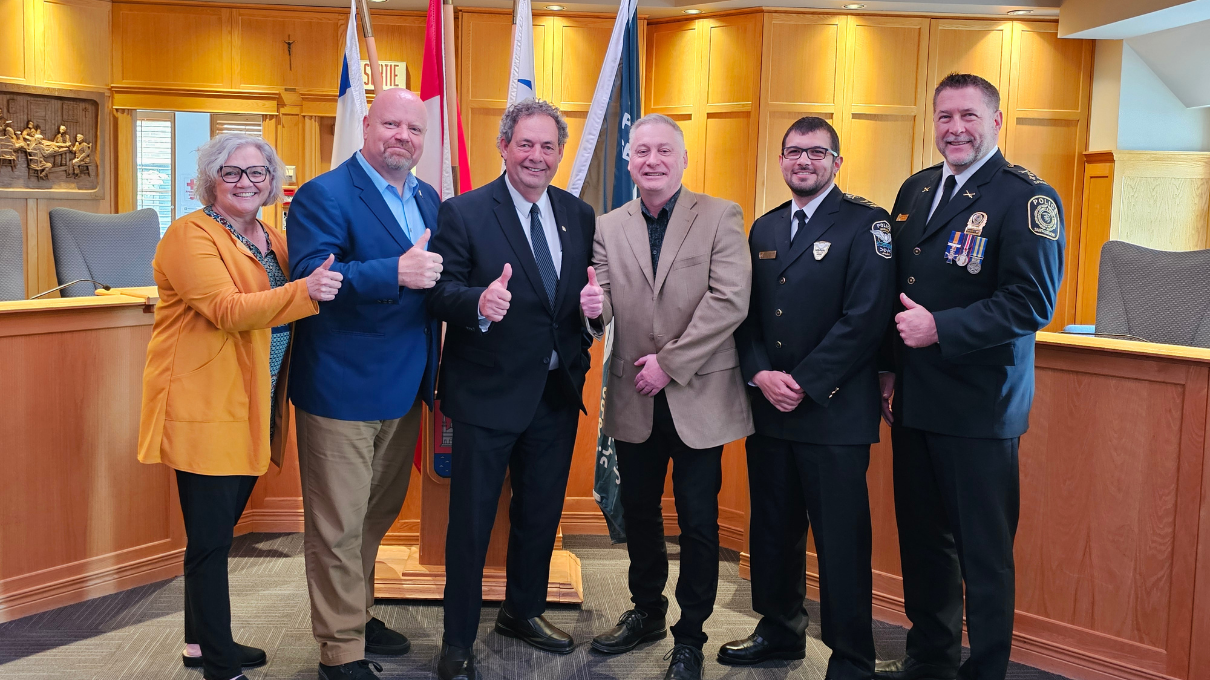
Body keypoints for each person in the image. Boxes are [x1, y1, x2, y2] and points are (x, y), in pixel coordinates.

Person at [875, 73, 1065, 680]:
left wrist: (941, 328)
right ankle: (928, 660)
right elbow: (899, 287)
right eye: (944, 117)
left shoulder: (1026, 198)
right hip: (915, 399)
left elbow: (1031, 302)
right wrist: (888, 367)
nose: (955, 129)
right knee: (923, 543)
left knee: (984, 555)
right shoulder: (916, 188)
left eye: (968, 116)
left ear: (996, 122)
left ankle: (984, 670)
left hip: (980, 406)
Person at [137, 133, 342, 680]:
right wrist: (308, 290)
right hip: (205, 406)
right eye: (231, 172)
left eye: (257, 173)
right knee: (210, 541)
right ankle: (219, 662)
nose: (245, 182)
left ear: (272, 182)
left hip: (255, 402)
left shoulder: (271, 237)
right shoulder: (189, 235)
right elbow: (228, 310)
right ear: (211, 180)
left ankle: (200, 643)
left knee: (217, 533)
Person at [426, 98, 596, 680]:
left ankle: (522, 612)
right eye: (526, 144)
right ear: (504, 146)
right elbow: (438, 291)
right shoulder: (465, 212)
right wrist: (478, 301)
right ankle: (457, 639)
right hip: (486, 394)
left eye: (548, 146)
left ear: (560, 153)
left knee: (540, 515)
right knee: (472, 523)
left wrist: (594, 311)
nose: (536, 156)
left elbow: (579, 301)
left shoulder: (578, 213)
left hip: (555, 392)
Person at [581, 114, 752, 680]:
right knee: (640, 511)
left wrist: (670, 364)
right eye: (641, 152)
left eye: (663, 151)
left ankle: (691, 635)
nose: (651, 161)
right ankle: (647, 611)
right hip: (634, 394)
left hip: (698, 394)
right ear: (629, 161)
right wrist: (593, 310)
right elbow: (604, 302)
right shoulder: (608, 225)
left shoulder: (720, 215)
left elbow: (729, 301)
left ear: (682, 160)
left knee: (698, 520)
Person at [721, 116, 894, 678]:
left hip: (832, 411)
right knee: (773, 529)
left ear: (837, 163)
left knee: (840, 542)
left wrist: (805, 382)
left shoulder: (866, 224)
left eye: (817, 153)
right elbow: (745, 314)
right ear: (781, 161)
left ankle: (852, 657)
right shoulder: (765, 228)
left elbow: (866, 318)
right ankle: (780, 630)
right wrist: (760, 374)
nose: (804, 161)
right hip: (771, 409)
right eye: (794, 152)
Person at [287, 88, 443, 680]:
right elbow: (312, 275)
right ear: (367, 127)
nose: (403, 136)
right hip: (341, 386)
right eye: (391, 125)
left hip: (405, 385)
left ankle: (357, 611)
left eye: (415, 129)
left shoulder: (427, 197)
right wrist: (393, 271)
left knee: (376, 514)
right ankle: (340, 650)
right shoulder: (324, 194)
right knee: (337, 525)